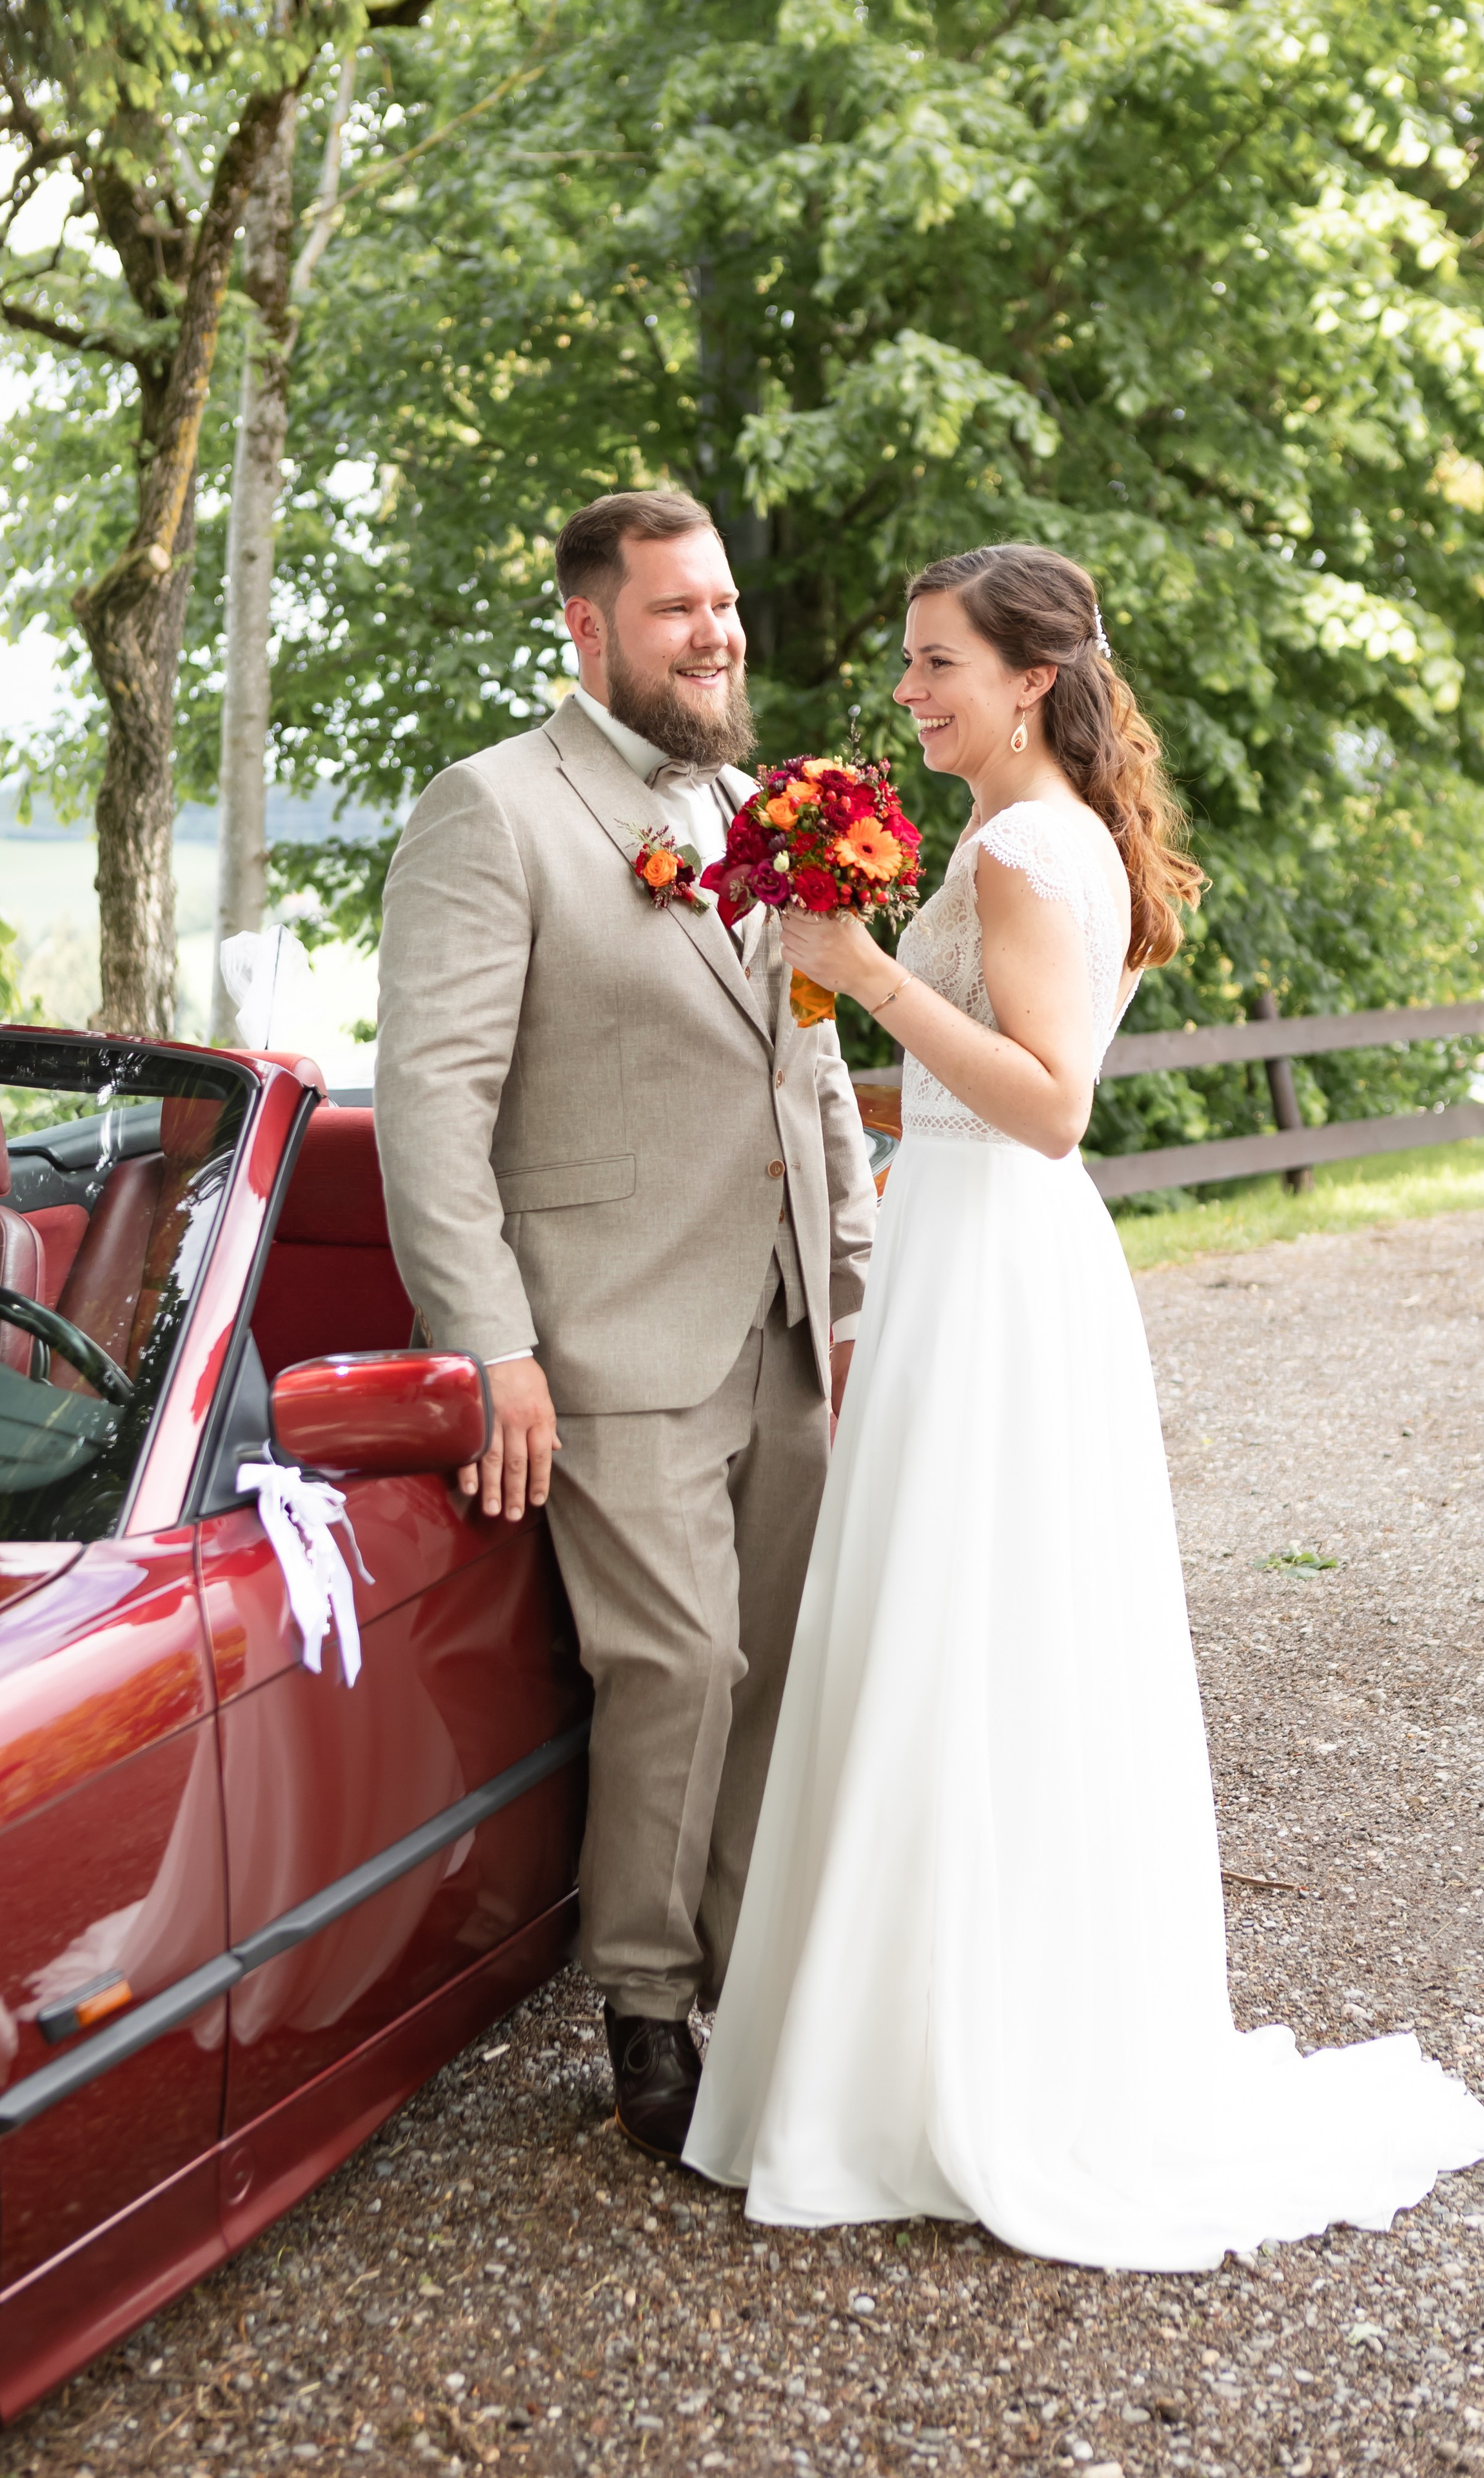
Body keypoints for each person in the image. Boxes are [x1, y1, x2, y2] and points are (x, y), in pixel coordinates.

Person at [683, 542, 1484, 2265]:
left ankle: (967, 2069)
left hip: (1000, 1261)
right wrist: (836, 1061)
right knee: (962, 1637)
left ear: (1031, 678)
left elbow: (1050, 1107)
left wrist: (864, 972)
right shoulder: (1032, 833)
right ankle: (924, 2036)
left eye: (939, 662)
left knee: (968, 1636)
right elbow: (964, 1095)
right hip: (962, 1251)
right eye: (912, 659)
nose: (910, 689)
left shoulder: (1031, 848)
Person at [373, 488, 878, 2163]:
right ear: (588, 626)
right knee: (678, 1663)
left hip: (783, 1321)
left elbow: (812, 1070)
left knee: (780, 1669)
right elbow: (433, 1109)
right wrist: (493, 1347)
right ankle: (646, 2003)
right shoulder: (491, 811)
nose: (716, 632)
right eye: (679, 608)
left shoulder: (755, 805)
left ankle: (750, 1985)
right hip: (607, 1333)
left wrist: (855, 1292)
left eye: (722, 603)